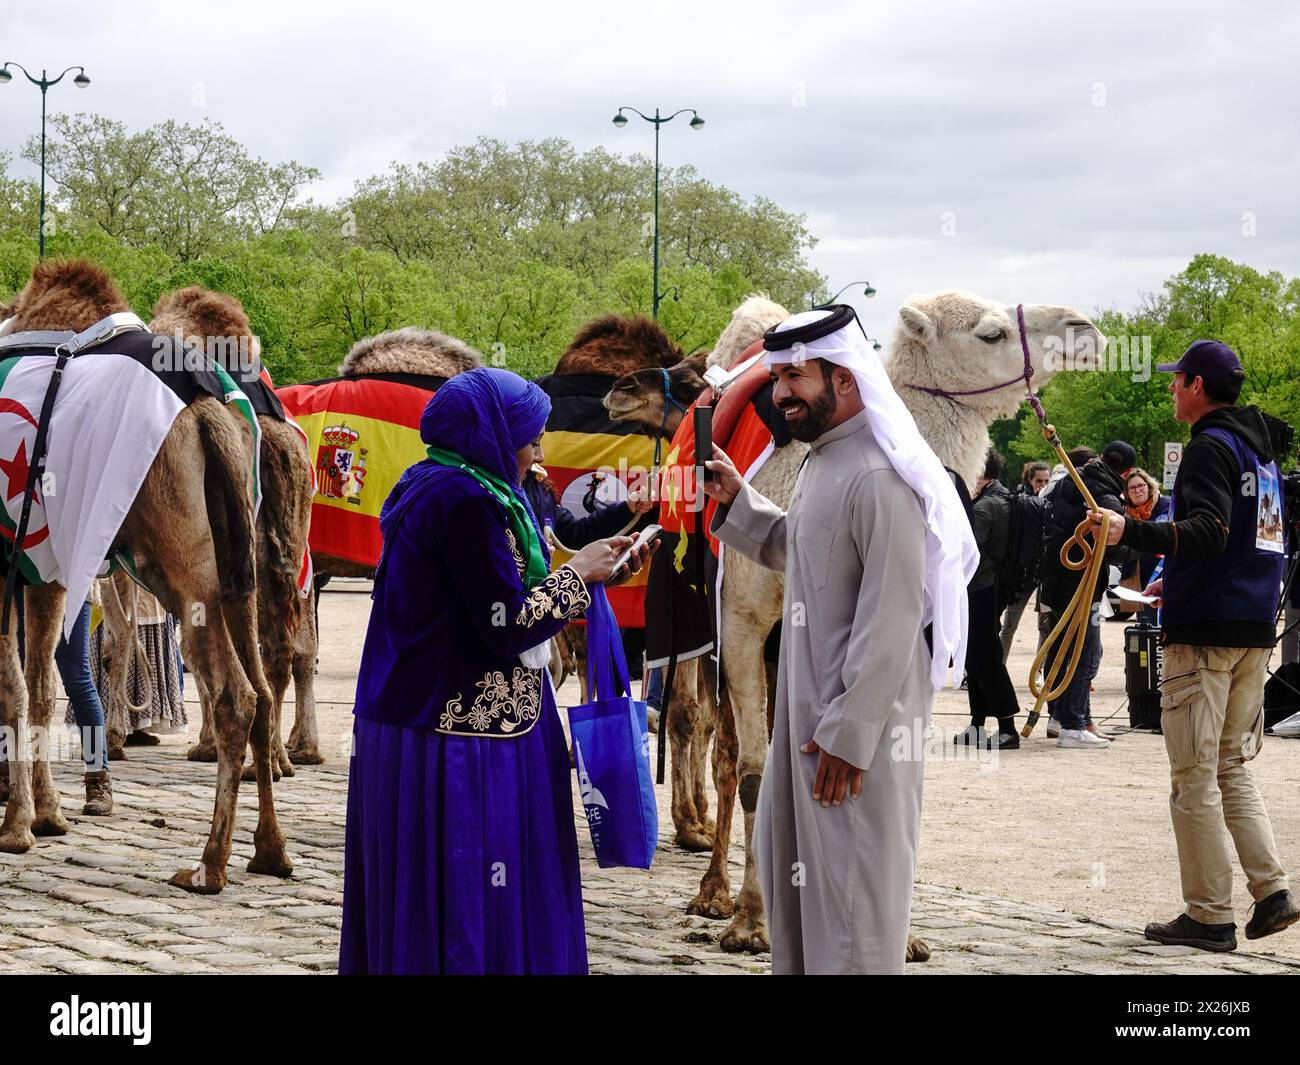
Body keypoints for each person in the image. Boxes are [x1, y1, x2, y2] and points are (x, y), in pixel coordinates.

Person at [338, 367, 653, 975]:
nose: (539, 448)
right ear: (491, 435)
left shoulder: (434, 482)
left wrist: (588, 563)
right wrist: (578, 577)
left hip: (419, 721)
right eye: (530, 435)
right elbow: (505, 624)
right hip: (462, 735)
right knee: (471, 891)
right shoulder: (467, 503)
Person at [702, 304, 978, 974]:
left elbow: (891, 620)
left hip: (850, 748)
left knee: (852, 919)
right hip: (811, 736)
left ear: (845, 379)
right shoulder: (826, 462)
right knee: (806, 920)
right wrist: (739, 500)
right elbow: (801, 548)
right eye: (777, 378)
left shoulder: (881, 476)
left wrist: (849, 737)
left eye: (795, 376)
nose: (780, 392)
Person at [1092, 340, 1298, 950]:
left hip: (1206, 632)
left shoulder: (1210, 446)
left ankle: (1209, 913)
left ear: (1198, 386)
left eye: (1177, 380)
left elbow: (1207, 532)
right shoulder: (1258, 452)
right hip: (1253, 628)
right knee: (1229, 765)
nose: (1172, 389)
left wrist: (1128, 528)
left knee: (1192, 777)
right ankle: (1272, 891)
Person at [1040, 441, 1134, 748]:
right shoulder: (1107, 497)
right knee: (1086, 653)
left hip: (1055, 578)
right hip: (1082, 583)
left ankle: (1059, 715)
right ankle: (1073, 724)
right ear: (1127, 471)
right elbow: (1117, 549)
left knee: (1060, 648)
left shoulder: (1068, 480)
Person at [956, 450, 1020, 749]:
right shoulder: (1001, 498)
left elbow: (965, 548)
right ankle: (977, 724)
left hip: (981, 589)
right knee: (976, 657)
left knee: (986, 659)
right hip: (987, 587)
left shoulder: (986, 506)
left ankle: (1007, 727)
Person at [522, 437, 654, 548]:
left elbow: (575, 534)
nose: (540, 457)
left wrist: (627, 507)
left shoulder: (537, 486)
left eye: (540, 441)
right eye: (533, 444)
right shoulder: (505, 497)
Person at [999, 460, 1051, 661]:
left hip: (1043, 571)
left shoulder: (1050, 500)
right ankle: (999, 666)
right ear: (1030, 480)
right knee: (1009, 625)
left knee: (1045, 626)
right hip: (1024, 572)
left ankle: (1040, 672)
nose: (1043, 485)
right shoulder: (1019, 502)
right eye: (1039, 480)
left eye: (1046, 480)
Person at [1122, 467, 1172, 625]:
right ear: (1127, 493)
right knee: (1145, 628)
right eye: (1132, 487)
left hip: (1164, 576)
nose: (1137, 490)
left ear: (1149, 487)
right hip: (1139, 577)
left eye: (1141, 485)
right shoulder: (1124, 513)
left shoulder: (1166, 505)